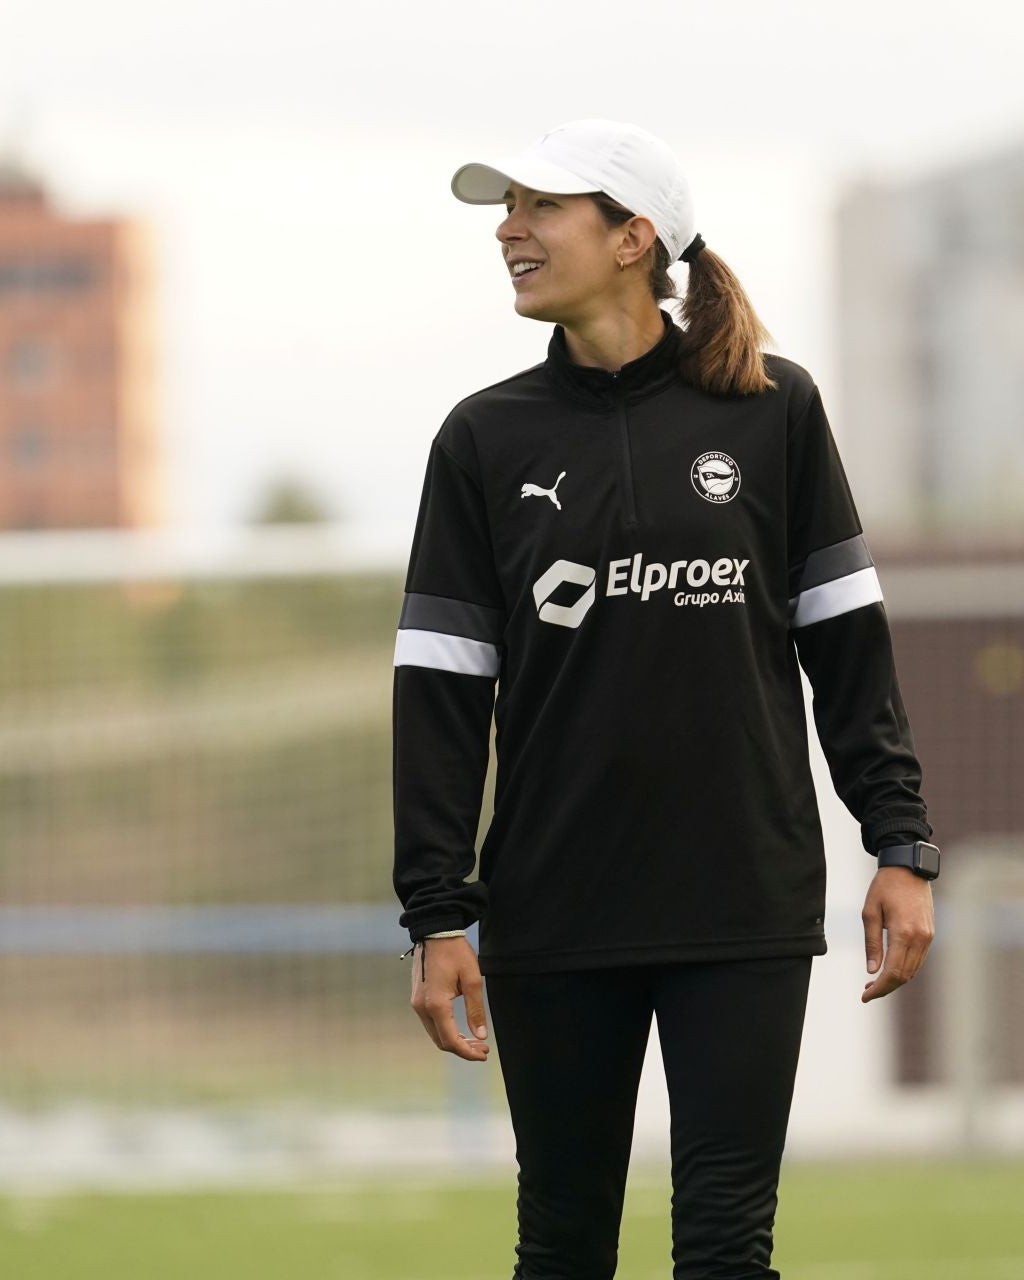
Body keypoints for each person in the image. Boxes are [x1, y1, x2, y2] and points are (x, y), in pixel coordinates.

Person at [391, 117, 941, 1280]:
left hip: (741, 897)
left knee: (728, 1249)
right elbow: (439, 694)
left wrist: (901, 842)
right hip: (554, 906)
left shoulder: (775, 410)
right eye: (508, 209)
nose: (509, 229)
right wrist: (439, 910)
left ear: (634, 237)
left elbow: (847, 647)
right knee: (564, 1247)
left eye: (541, 207)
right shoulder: (482, 439)